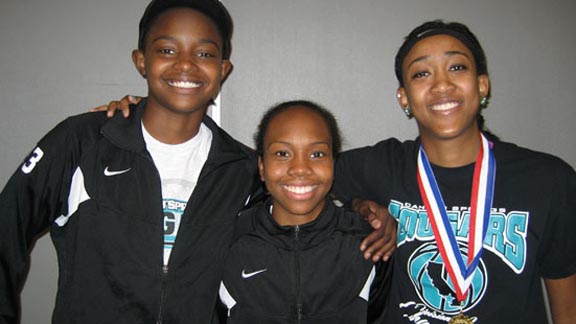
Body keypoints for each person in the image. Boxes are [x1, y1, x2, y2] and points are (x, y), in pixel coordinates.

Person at [0, 0, 260, 323]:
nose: (185, 64)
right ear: (141, 61)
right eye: (166, 50)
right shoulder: (82, 142)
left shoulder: (245, 171)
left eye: (205, 53)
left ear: (223, 69)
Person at [332, 20, 576, 324]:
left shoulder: (547, 180)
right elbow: (295, 177)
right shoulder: (384, 165)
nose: (442, 84)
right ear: (404, 97)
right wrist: (359, 206)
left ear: (482, 84)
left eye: (457, 68)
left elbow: (568, 307)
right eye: (422, 73)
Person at [218, 100, 390, 323]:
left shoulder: (371, 243)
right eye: (282, 153)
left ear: (333, 164)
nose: (300, 168)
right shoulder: (227, 242)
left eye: (317, 154)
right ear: (261, 166)